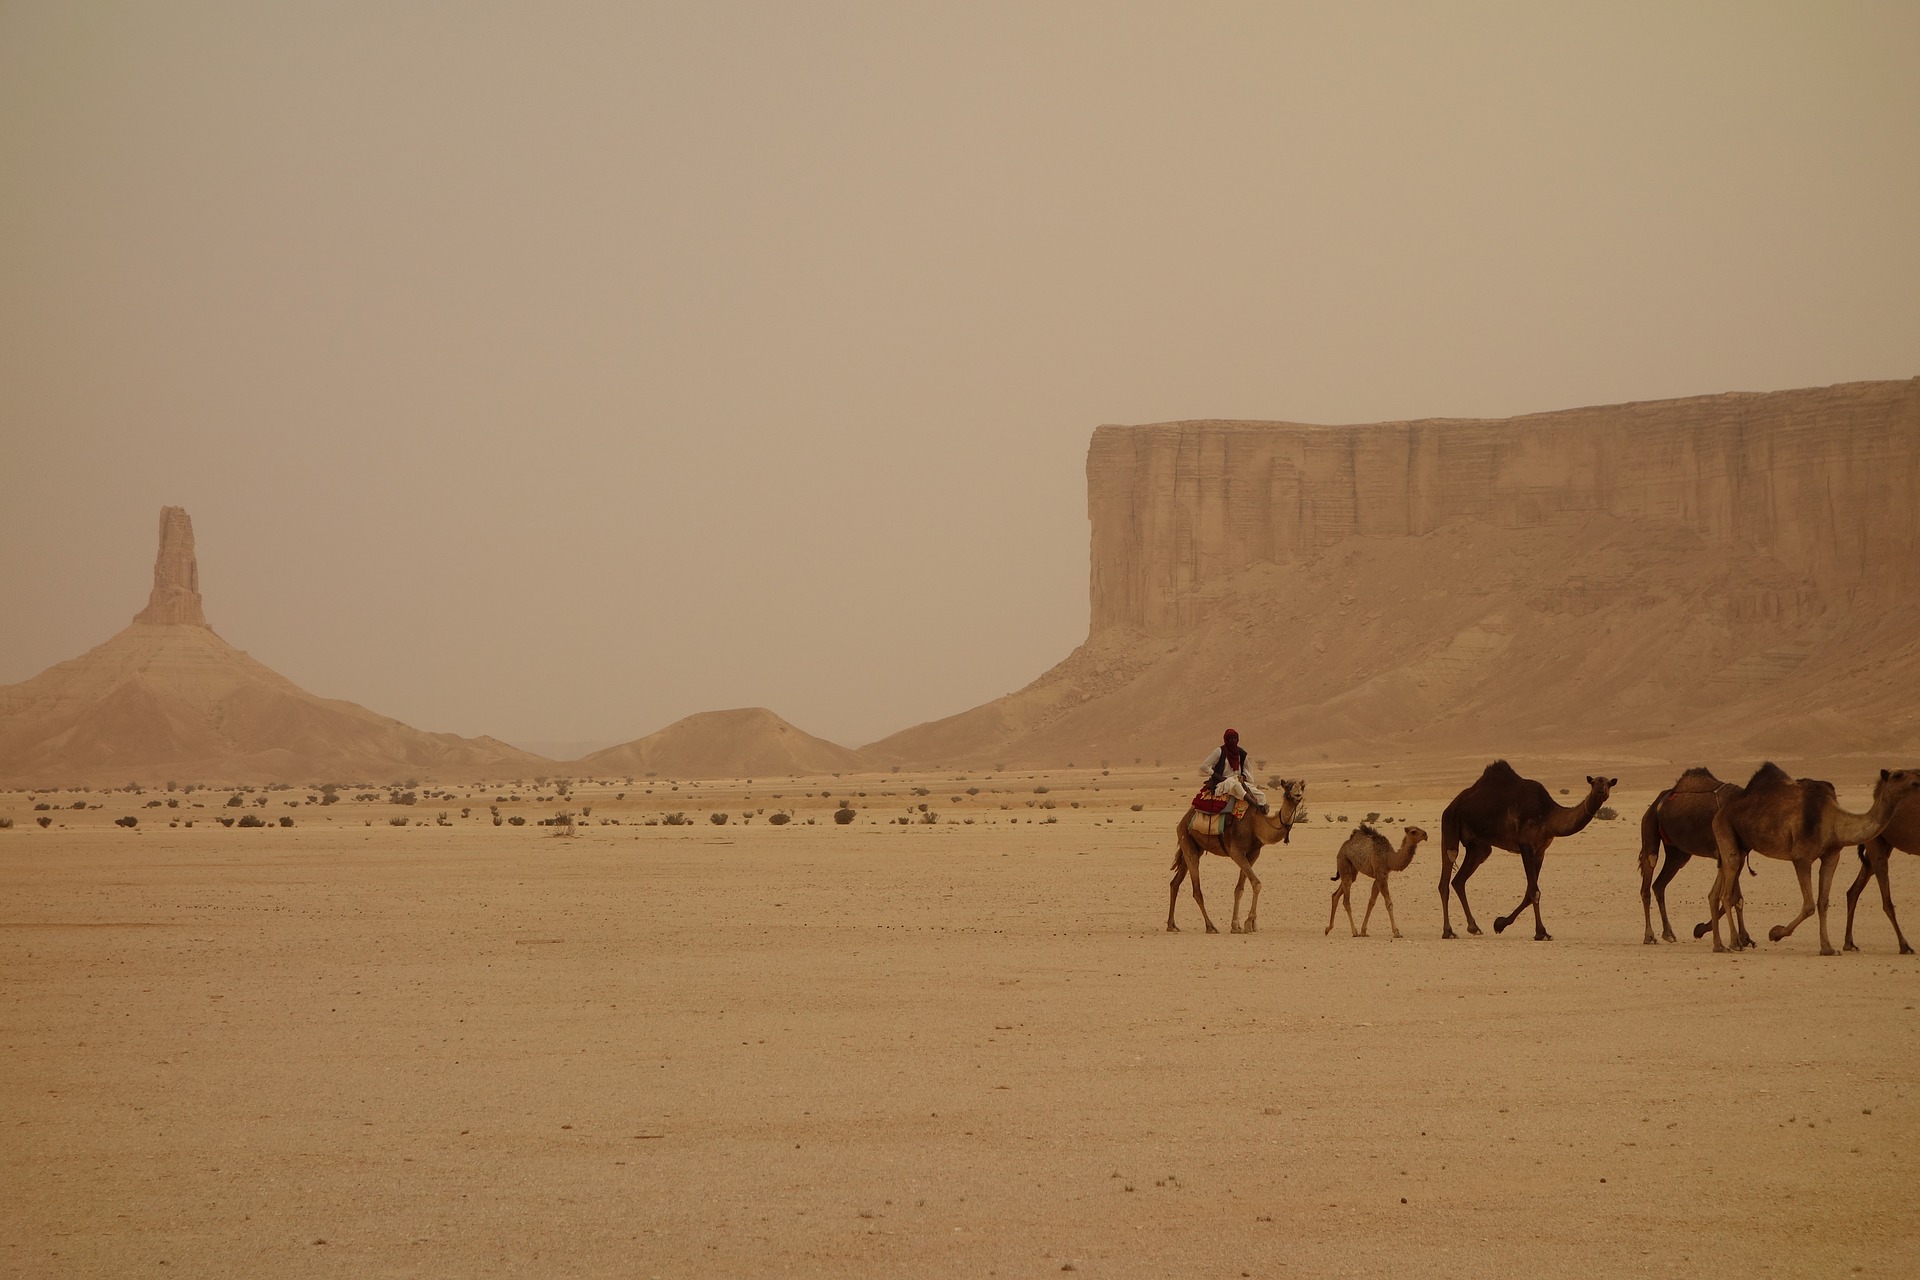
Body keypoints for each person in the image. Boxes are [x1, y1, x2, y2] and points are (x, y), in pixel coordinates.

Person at [1200, 728, 1267, 812]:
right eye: (1230, 739)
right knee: (1235, 785)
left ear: (1237, 739)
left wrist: (1243, 777)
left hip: (1238, 781)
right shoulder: (1219, 751)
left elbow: (1247, 770)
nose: (1233, 741)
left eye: (1234, 738)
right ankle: (1256, 805)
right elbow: (1204, 766)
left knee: (1261, 795)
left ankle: (1261, 816)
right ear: (1226, 740)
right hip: (1223, 784)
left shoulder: (1241, 753)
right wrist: (1219, 777)